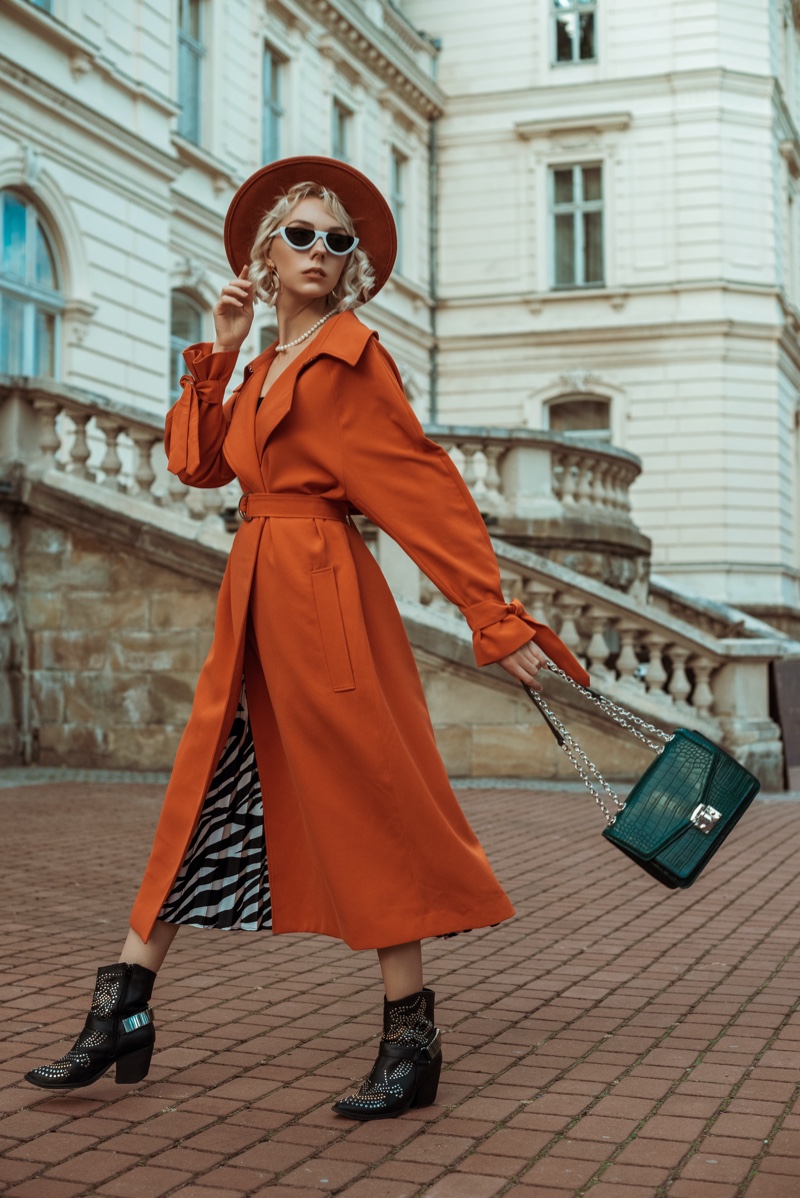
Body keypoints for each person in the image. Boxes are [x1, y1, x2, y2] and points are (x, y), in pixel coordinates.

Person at [24, 157, 590, 1120]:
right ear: (265, 255)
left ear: (350, 264)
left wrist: (493, 616)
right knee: (196, 798)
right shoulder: (260, 362)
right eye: (302, 236)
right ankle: (122, 1007)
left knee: (371, 799)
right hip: (253, 599)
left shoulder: (351, 357)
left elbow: (424, 491)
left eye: (338, 240)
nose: (321, 250)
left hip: (325, 599)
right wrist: (221, 348)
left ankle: (411, 1035)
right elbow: (197, 464)